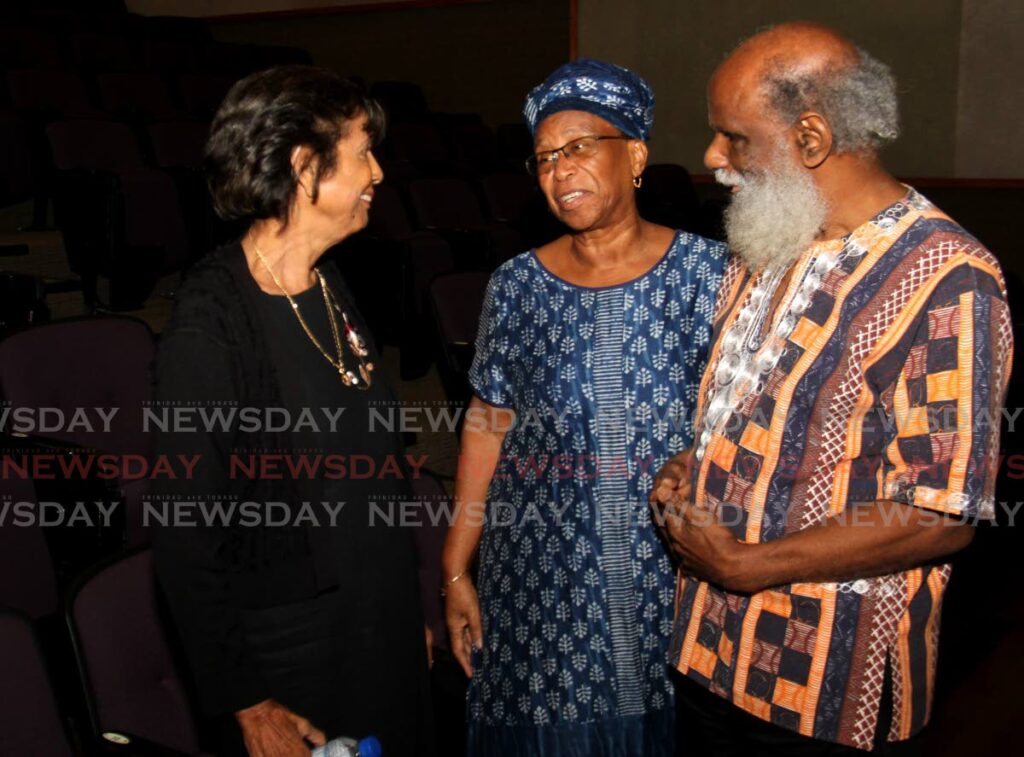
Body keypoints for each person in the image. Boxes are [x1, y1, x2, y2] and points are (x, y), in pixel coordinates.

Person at [650, 22, 1012, 756]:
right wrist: (694, 462)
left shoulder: (948, 280)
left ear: (810, 137)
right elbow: (768, 413)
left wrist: (749, 565)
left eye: (733, 137)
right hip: (707, 647)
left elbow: (939, 511)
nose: (713, 157)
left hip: (824, 685)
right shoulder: (769, 239)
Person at [442, 59, 728, 756]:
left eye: (578, 147)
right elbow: (487, 423)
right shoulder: (515, 285)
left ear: (634, 154)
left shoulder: (712, 274)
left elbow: (742, 423)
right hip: (542, 577)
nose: (559, 170)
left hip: (669, 568)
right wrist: (456, 568)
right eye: (544, 158)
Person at [150, 65, 433, 756]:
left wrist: (402, 613)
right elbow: (185, 532)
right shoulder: (211, 322)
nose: (379, 172)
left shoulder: (328, 278)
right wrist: (245, 698)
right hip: (301, 649)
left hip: (376, 616)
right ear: (304, 166)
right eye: (363, 151)